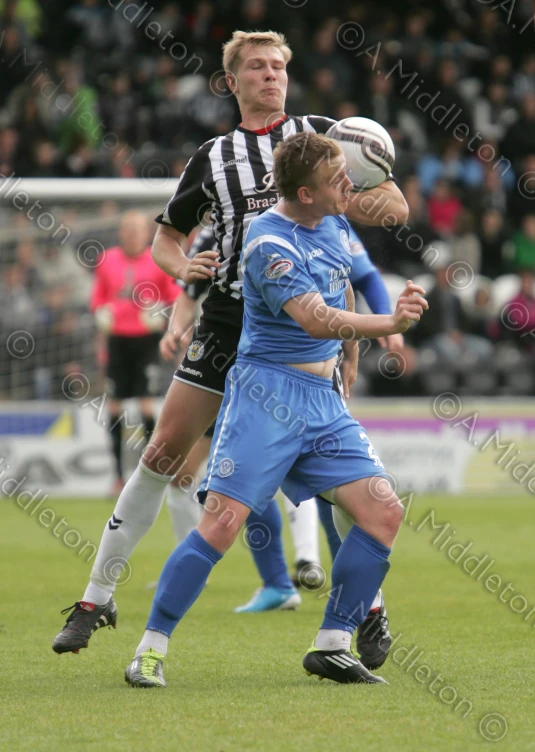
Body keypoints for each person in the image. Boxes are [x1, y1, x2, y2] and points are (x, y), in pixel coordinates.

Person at [52, 30, 408, 662]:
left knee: (342, 480)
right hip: (226, 326)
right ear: (233, 81)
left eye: (278, 67)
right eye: (257, 68)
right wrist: (182, 270)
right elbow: (168, 240)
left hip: (307, 328)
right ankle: (95, 598)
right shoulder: (212, 157)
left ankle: (368, 614)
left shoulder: (325, 137)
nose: (271, 76)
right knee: (162, 452)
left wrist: (351, 201)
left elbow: (397, 205)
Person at [124, 132, 427, 687]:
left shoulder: (331, 219)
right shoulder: (267, 242)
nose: (350, 187)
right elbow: (315, 318)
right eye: (339, 180)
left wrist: (352, 359)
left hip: (322, 399)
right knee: (221, 525)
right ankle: (150, 649)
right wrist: (392, 326)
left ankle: (334, 643)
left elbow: (344, 290)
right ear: (306, 192)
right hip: (268, 395)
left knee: (383, 510)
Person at [89, 211, 179, 496]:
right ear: (121, 233)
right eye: (128, 229)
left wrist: (159, 313)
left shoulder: (157, 259)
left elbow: (174, 298)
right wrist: (102, 314)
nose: (133, 234)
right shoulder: (107, 260)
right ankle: (117, 478)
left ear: (146, 234)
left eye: (138, 229)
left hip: (146, 343)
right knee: (114, 406)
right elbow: (98, 300)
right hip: (117, 341)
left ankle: (149, 478)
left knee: (146, 405)